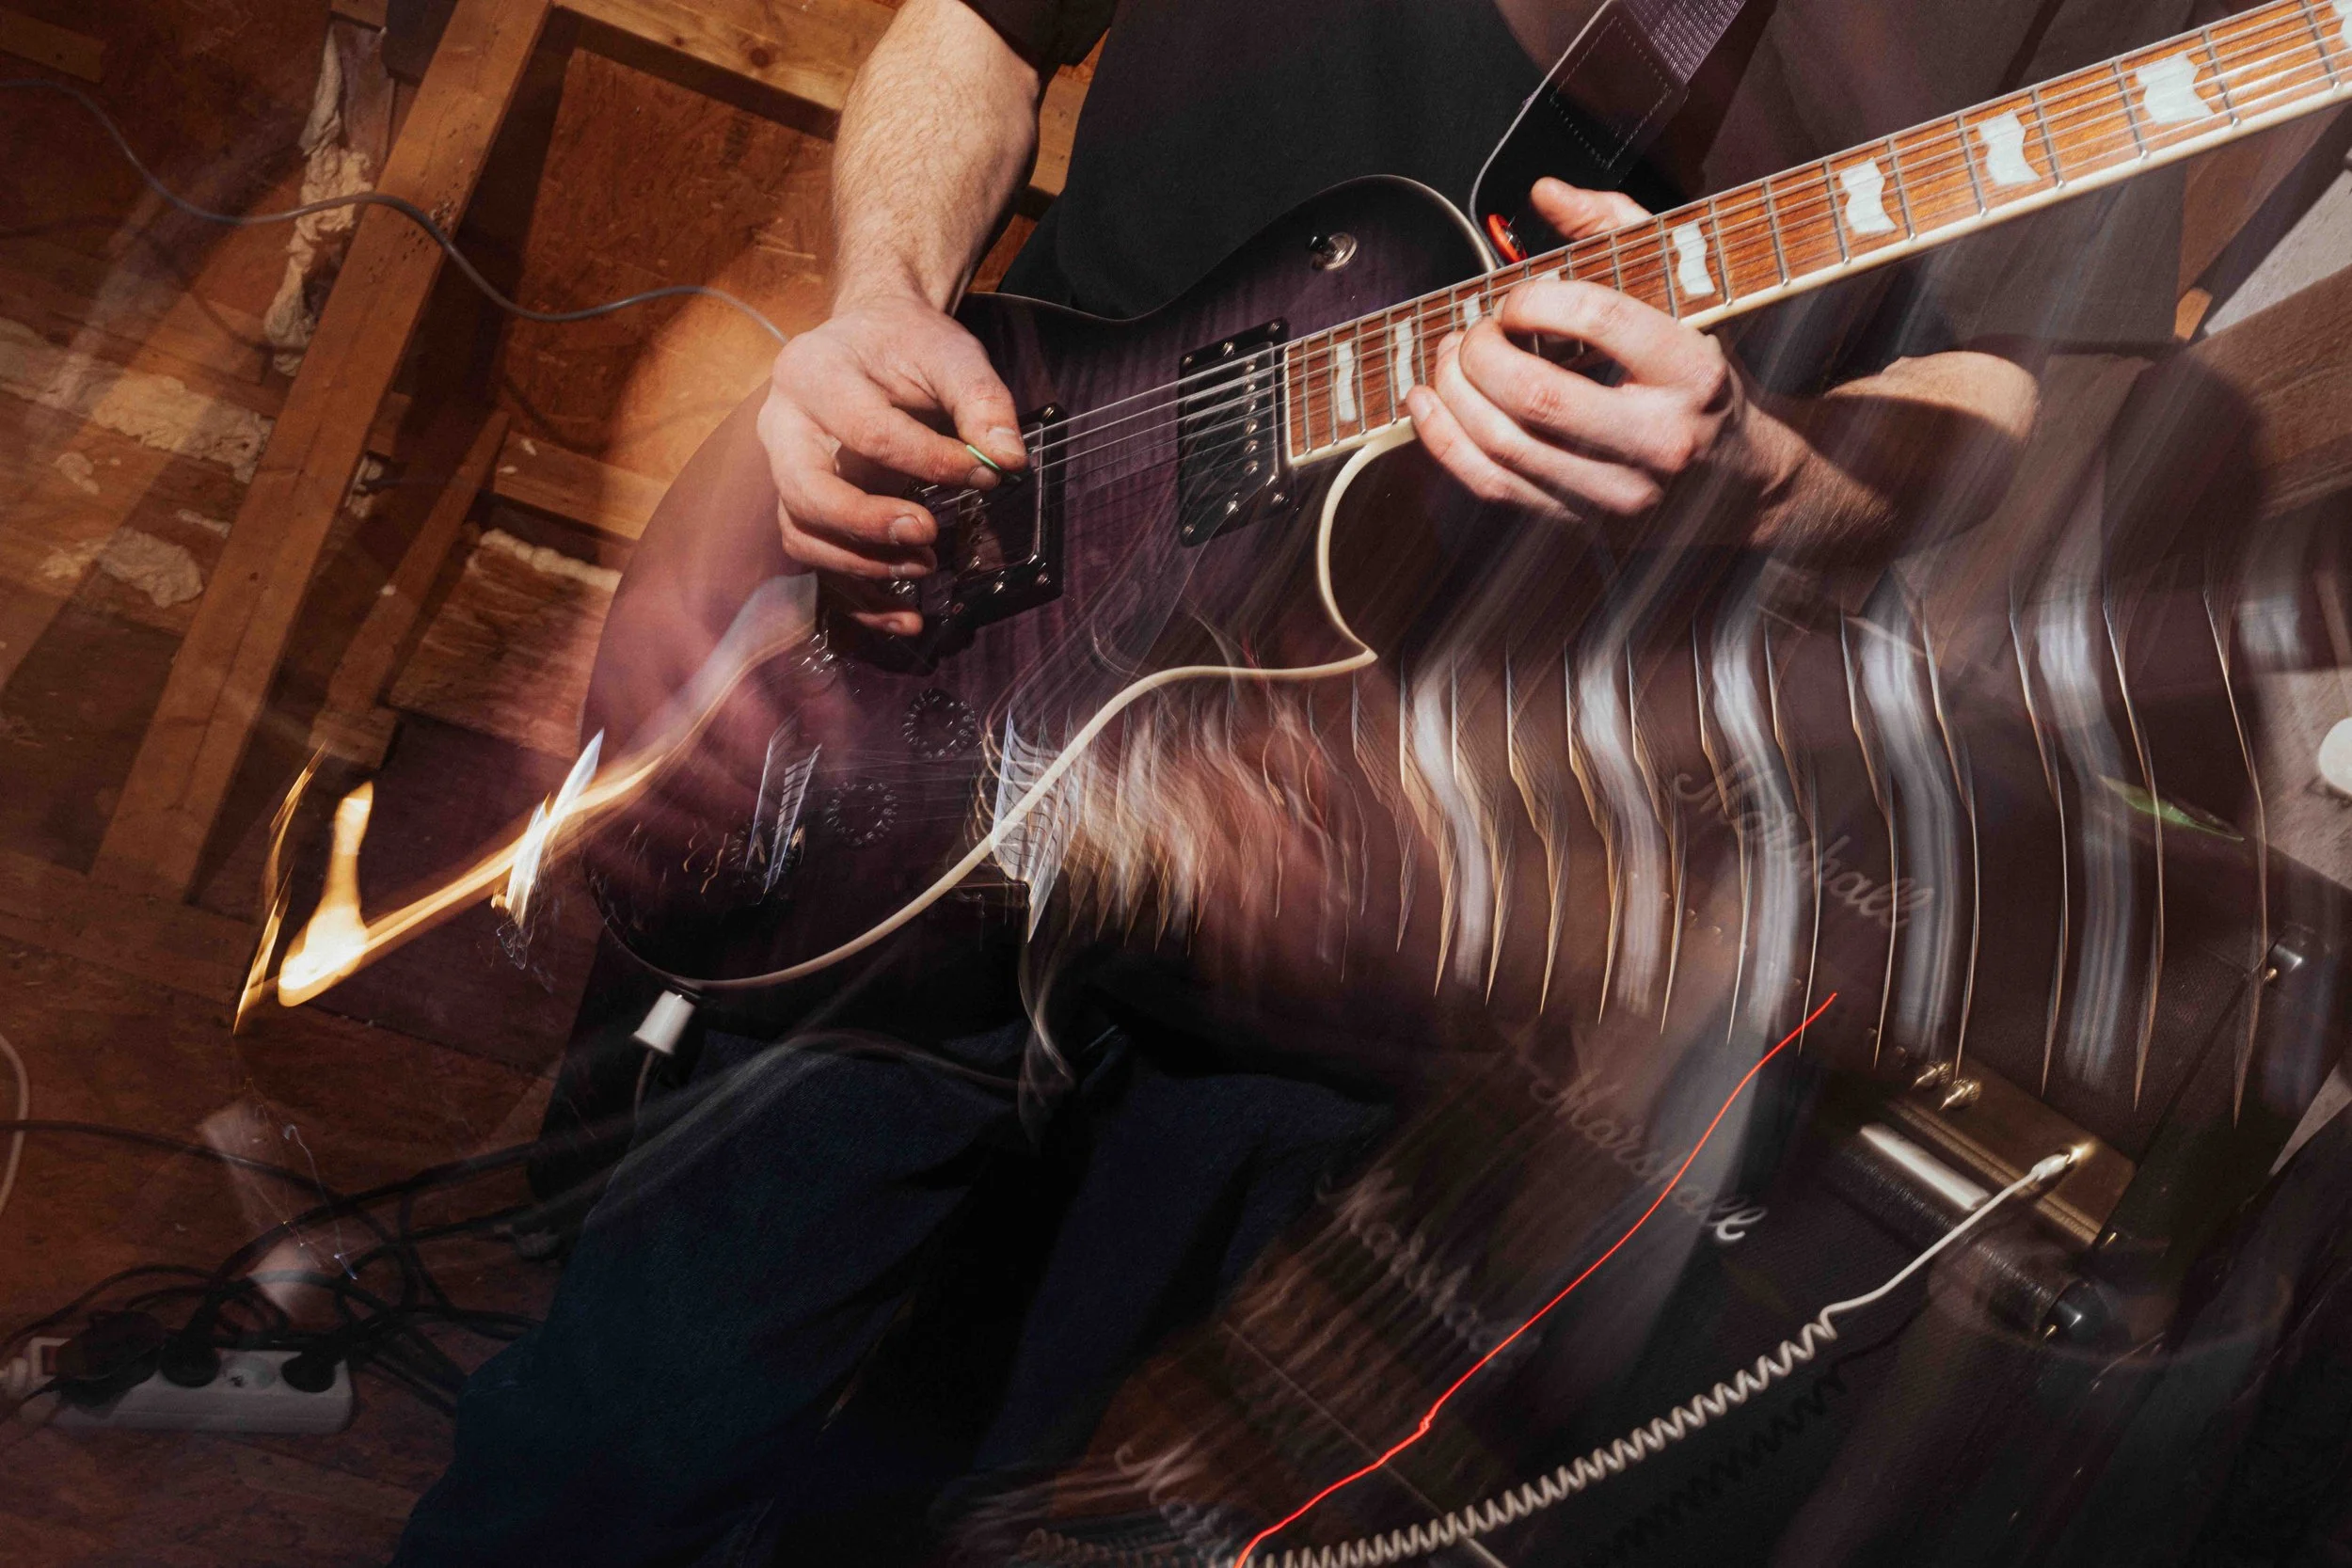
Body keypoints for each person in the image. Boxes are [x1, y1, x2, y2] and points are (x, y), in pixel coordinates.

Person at [395, 1, 2188, 1563]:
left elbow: (2010, 377)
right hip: (986, 614)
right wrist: (875, 301)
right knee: (630, 1426)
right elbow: (984, 23)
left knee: (995, 1486)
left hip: (1384, 845)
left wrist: (1768, 473)